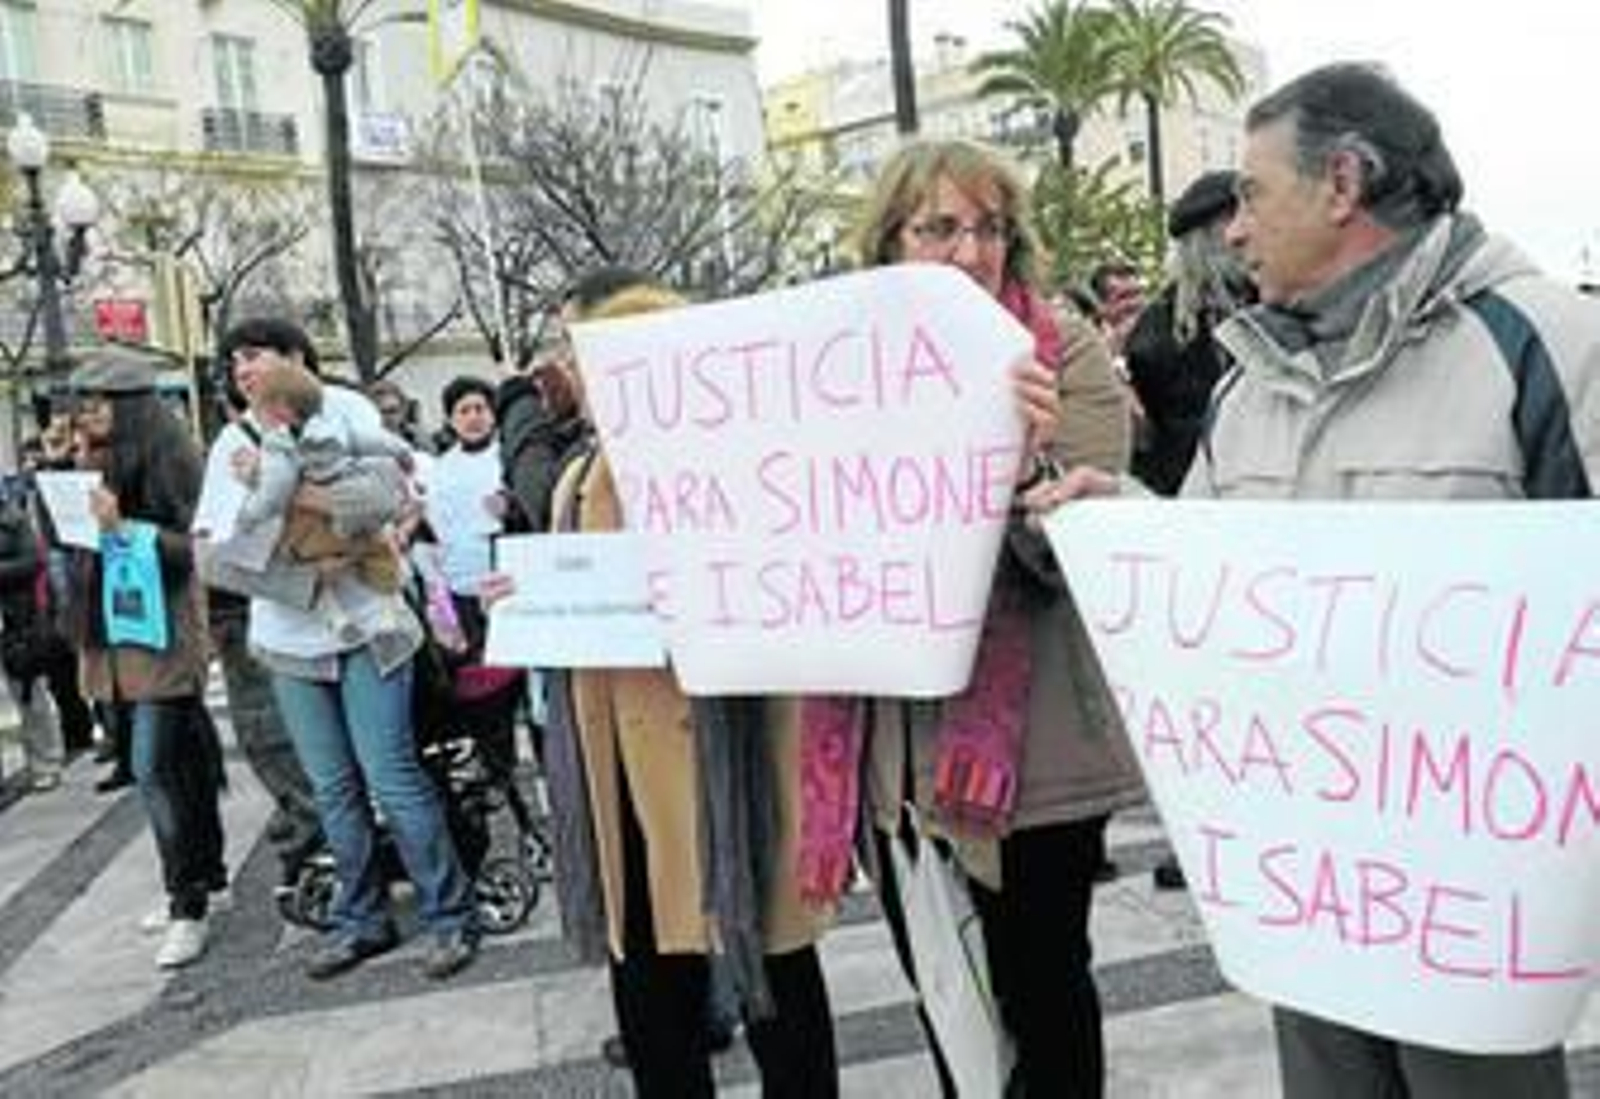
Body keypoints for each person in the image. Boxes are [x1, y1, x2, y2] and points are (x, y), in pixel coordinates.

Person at [1029, 61, 1597, 1099]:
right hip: (1315, 890)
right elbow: (1209, 571)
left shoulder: (1547, 342)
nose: (1232, 229)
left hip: (1477, 909)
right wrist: (1116, 522)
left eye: (1249, 193)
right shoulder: (1250, 380)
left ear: (1342, 182)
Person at [800, 138, 1143, 1098]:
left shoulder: (1062, 350)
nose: (970, 249)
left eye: (989, 226)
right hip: (894, 750)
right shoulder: (837, 367)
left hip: (1030, 751)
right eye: (940, 225)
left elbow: (1070, 554)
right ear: (890, 243)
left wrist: (1025, 461)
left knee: (1042, 987)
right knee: (945, 988)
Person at [492, 280, 840, 1098]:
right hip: (621, 769)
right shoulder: (584, 468)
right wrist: (532, 601)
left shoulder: (742, 463)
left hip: (730, 761)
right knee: (650, 979)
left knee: (772, 967)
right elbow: (588, 585)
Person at [196, 318, 479, 983]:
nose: (242, 369)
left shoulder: (343, 409)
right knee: (332, 787)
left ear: (296, 358)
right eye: (234, 359)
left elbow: (381, 497)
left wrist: (290, 489)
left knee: (392, 774)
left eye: (256, 355)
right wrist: (300, 575)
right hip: (290, 637)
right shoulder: (230, 443)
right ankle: (362, 918)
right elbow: (213, 555)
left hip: (369, 626)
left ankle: (449, 913)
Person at [65, 348, 228, 969]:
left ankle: (186, 905)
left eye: (100, 403)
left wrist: (122, 527)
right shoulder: (91, 460)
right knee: (179, 765)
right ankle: (201, 877)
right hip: (109, 637)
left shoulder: (174, 455)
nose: (88, 414)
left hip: (158, 637)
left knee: (154, 769)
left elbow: (194, 547)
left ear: (131, 408)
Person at [1122, 168, 1256, 892]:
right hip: (1230, 525)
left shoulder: (1152, 331)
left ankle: (1199, 838)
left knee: (1203, 713)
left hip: (1187, 526)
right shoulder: (1261, 312)